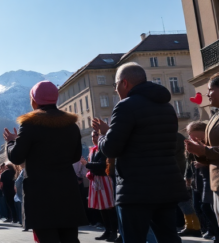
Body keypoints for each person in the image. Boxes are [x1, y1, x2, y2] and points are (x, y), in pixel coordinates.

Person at [96, 63, 188, 243]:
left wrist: (103, 136)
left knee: (134, 238)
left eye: (115, 86)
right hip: (167, 184)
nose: (115, 90)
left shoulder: (126, 106)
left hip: (136, 188)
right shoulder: (167, 107)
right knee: (168, 237)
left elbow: (111, 148)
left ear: (124, 83)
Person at [5, 80, 88, 243]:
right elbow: (75, 156)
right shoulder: (71, 125)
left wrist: (11, 142)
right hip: (67, 189)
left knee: (47, 238)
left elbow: (16, 157)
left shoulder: (29, 124)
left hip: (40, 192)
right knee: (70, 238)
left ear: (34, 100)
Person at [186, 73, 219, 239]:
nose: (207, 94)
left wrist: (204, 151)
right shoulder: (215, 116)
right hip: (216, 183)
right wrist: (199, 152)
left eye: (210, 90)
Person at [85, 130, 117, 242]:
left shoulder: (104, 149)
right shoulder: (93, 150)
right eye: (92, 136)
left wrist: (87, 165)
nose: (94, 138)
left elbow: (103, 164)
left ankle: (114, 231)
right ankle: (107, 230)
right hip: (96, 180)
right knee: (101, 207)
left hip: (105, 179)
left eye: (96, 135)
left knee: (109, 207)